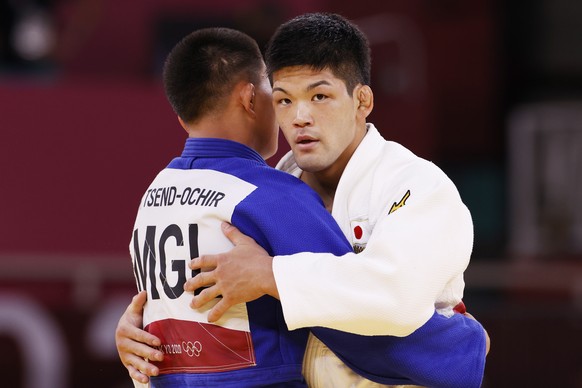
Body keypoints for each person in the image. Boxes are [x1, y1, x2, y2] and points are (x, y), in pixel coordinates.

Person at [117, 13, 489, 388]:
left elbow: (395, 296)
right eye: (283, 100)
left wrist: (271, 274)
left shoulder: (415, 184)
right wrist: (144, 332)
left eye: (320, 96)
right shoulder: (271, 189)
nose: (300, 117)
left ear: (362, 100)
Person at [125, 26, 356, 387]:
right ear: (250, 98)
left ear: (183, 118)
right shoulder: (270, 194)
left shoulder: (152, 196)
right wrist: (460, 344)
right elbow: (358, 306)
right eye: (272, 89)